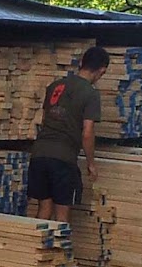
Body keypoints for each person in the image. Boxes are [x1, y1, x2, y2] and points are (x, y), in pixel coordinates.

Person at [26, 46, 110, 223]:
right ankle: (59, 243)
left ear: (81, 63)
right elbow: (87, 133)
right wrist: (91, 163)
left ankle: (33, 241)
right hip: (63, 158)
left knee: (44, 209)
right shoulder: (90, 93)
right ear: (102, 70)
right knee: (62, 213)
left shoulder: (55, 86)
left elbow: (44, 120)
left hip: (39, 154)